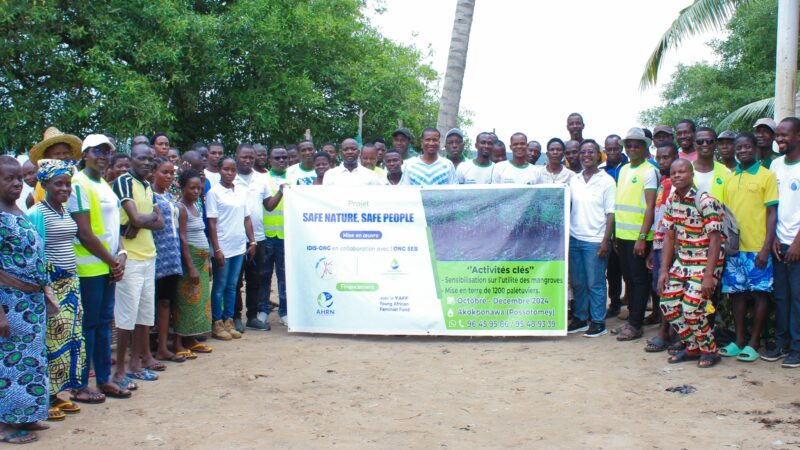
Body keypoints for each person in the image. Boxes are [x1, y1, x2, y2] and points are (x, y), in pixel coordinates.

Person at [68, 135, 130, 402]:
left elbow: (112, 227)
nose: (103, 156)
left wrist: (120, 256)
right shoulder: (77, 183)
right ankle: (82, 384)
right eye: (97, 151)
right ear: (85, 154)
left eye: (107, 152)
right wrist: (111, 260)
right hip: (89, 268)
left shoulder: (104, 183)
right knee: (89, 326)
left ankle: (104, 379)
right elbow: (84, 232)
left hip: (108, 266)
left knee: (105, 324)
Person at [26, 159, 87, 421]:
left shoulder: (64, 212)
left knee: (69, 338)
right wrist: (45, 287)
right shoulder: (36, 213)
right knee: (50, 341)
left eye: (67, 184)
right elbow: (35, 253)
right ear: (45, 185)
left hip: (71, 282)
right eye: (58, 184)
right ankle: (46, 396)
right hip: (52, 283)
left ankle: (57, 393)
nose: (64, 189)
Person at [0, 156, 52, 444]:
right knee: (8, 364)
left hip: (31, 303)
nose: (17, 183)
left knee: (30, 361)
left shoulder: (19, 211)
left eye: (19, 178)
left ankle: (26, 415)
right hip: (9, 301)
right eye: (8, 178)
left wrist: (45, 294)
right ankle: (5, 425)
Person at [658, 159, 725, 368]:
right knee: (667, 304)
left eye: (682, 172)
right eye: (673, 173)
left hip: (705, 261)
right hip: (684, 259)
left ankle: (709, 349)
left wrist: (709, 275)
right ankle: (692, 345)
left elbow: (716, 240)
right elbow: (669, 237)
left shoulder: (705, 201)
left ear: (691, 174)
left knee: (691, 308)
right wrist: (663, 271)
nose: (677, 176)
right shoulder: (671, 201)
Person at [717, 132, 778, 362]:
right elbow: (726, 215)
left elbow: (772, 213)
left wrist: (765, 248)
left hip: (757, 247)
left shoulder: (766, 176)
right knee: (737, 295)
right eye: (739, 148)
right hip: (734, 249)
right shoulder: (731, 178)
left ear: (755, 148)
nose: (742, 151)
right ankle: (739, 340)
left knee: (760, 294)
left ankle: (754, 343)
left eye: (747, 147)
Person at [112, 143, 165, 382]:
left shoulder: (146, 185)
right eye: (141, 158)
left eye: (150, 159)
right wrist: (140, 220)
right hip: (129, 258)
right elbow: (133, 216)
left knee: (144, 314)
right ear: (132, 158)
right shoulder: (124, 181)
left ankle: (136, 364)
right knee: (126, 317)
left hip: (148, 254)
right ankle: (120, 370)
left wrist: (140, 222)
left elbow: (160, 222)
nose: (146, 163)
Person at [567, 140, 616, 337]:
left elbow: (611, 213)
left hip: (595, 240)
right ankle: (580, 318)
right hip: (574, 238)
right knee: (578, 282)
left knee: (595, 283)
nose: (586, 155)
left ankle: (597, 321)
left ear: (598, 155)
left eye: (591, 152)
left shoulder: (607, 181)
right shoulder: (574, 180)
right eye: (583, 152)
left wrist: (606, 241)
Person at [613, 128, 658, 341]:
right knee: (628, 280)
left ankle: (635, 324)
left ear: (645, 147)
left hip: (639, 238)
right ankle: (631, 318)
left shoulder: (649, 171)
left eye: (636, 145)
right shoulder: (623, 170)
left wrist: (643, 237)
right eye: (628, 145)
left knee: (640, 281)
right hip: (622, 235)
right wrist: (615, 235)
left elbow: (650, 206)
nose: (632, 149)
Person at [206, 156, 256, 340]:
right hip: (223, 248)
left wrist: (252, 241)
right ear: (219, 170)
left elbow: (247, 218)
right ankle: (217, 323)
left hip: (239, 247)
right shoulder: (214, 193)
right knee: (219, 286)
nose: (230, 173)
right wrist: (217, 249)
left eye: (233, 169)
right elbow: (212, 223)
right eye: (226, 169)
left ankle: (229, 320)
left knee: (233, 286)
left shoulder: (240, 192)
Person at [764, 117, 800, 367]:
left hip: (798, 243)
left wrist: (798, 242)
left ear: (798, 136)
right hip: (779, 243)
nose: (779, 139)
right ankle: (781, 343)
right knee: (781, 297)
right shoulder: (776, 165)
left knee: (798, 298)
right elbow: (772, 206)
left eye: (784, 135)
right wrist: (774, 237)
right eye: (778, 135)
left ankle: (797, 347)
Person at [644, 141, 679, 353]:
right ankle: (667, 331)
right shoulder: (663, 182)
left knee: (671, 289)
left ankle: (669, 332)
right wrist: (653, 247)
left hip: (674, 246)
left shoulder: (677, 184)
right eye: (659, 157)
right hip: (659, 244)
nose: (662, 161)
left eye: (667, 157)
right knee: (662, 288)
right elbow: (659, 217)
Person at [174, 170, 213, 356]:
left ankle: (191, 339)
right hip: (190, 260)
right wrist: (190, 266)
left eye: (199, 188)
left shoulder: (196, 204)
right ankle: (178, 342)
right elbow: (182, 237)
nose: (196, 191)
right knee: (186, 301)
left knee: (199, 301)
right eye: (192, 188)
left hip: (202, 260)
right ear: (183, 188)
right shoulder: (181, 208)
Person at [150, 158, 185, 362]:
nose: (169, 176)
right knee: (151, 304)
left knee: (166, 303)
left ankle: (163, 347)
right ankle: (146, 349)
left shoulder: (169, 196)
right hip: (155, 255)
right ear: (154, 172)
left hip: (172, 256)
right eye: (165, 172)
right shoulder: (149, 196)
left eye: (172, 173)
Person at [233, 144, 270, 332]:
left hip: (259, 237)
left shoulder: (262, 179)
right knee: (236, 281)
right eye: (243, 157)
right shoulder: (230, 178)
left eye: (251, 157)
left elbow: (269, 205)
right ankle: (236, 317)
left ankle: (252, 317)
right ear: (236, 157)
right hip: (236, 239)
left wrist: (282, 191)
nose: (247, 160)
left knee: (256, 279)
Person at [599, 133, 628, 318]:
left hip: (627, 226)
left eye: (616, 148)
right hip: (608, 228)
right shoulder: (602, 170)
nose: (612, 152)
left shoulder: (628, 168)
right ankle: (614, 304)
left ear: (621, 149)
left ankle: (633, 306)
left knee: (630, 271)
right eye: (608, 149)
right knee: (612, 270)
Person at [27, 127, 83, 207]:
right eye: (57, 154)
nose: (62, 157)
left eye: (65, 153)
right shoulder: (43, 183)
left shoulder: (80, 177)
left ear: (71, 154)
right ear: (47, 157)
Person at [264, 148, 288, 325]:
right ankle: (263, 310)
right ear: (270, 160)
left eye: (284, 157)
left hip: (287, 235)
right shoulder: (263, 178)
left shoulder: (294, 177)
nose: (281, 160)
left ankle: (285, 311)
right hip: (265, 235)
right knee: (263, 275)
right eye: (277, 158)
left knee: (284, 276)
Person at [692, 127, 730, 201]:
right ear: (694, 144)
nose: (705, 144)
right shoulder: (684, 171)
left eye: (709, 141)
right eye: (700, 141)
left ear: (716, 144)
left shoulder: (726, 172)